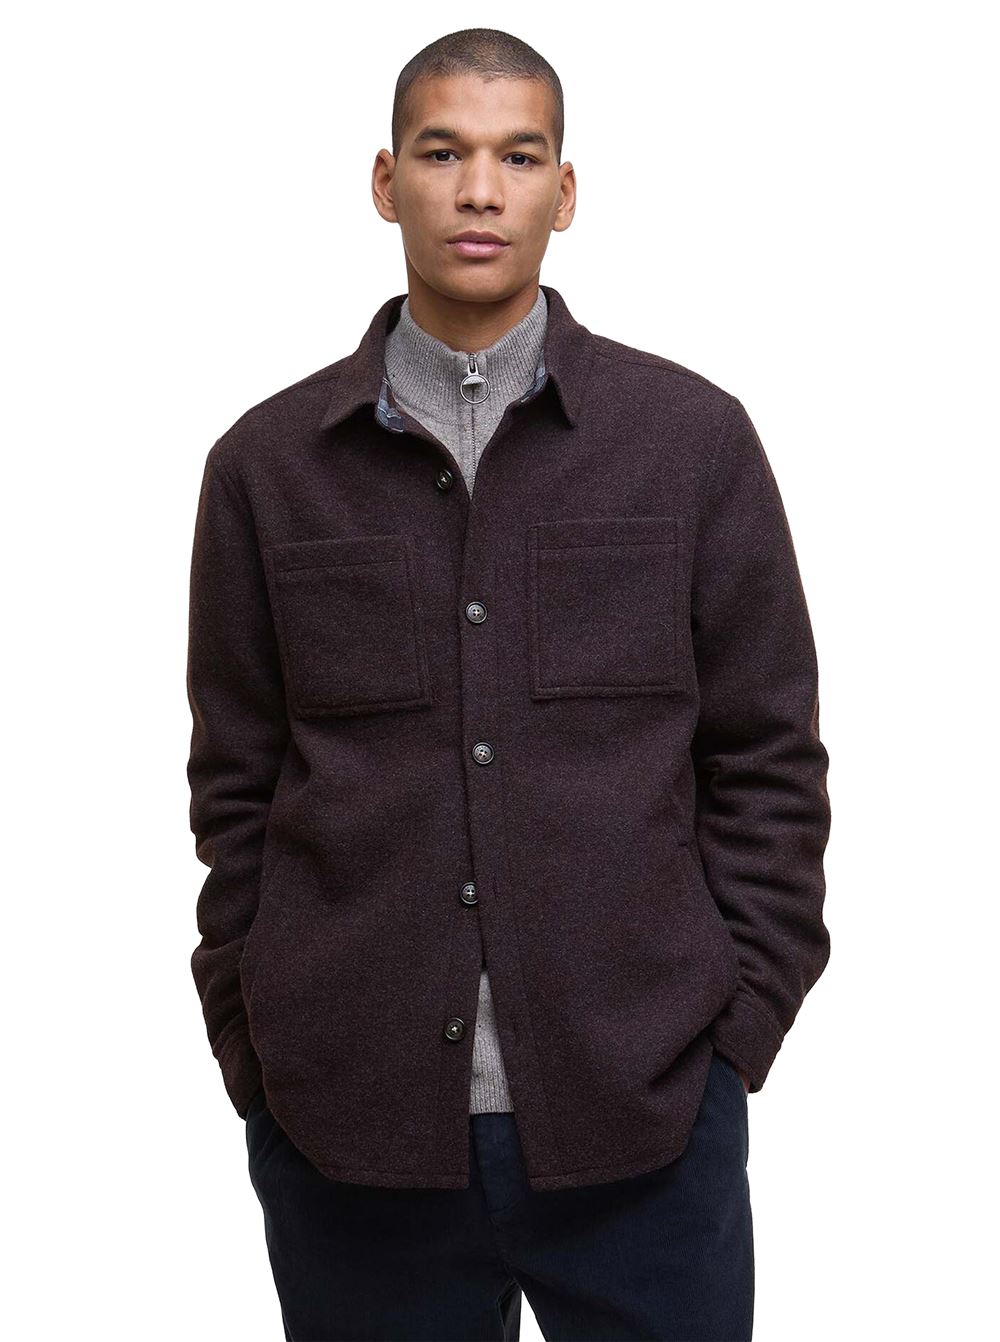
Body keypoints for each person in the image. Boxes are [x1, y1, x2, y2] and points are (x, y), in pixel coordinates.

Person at [186, 27, 831, 1342]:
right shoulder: (265, 468)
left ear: (564, 191)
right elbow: (235, 785)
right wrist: (257, 1051)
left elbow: (768, 760)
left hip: (646, 1123)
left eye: (518, 156)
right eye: (443, 153)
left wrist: (732, 1039)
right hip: (348, 1135)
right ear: (386, 182)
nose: (479, 190)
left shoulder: (691, 444)